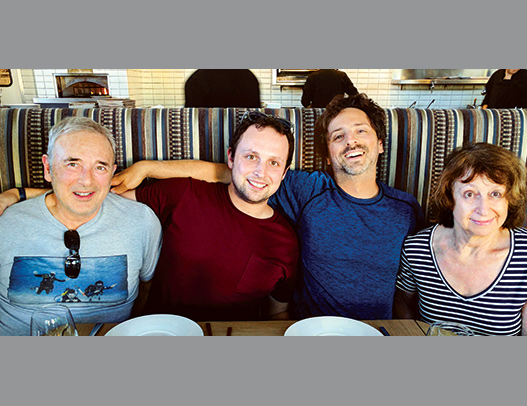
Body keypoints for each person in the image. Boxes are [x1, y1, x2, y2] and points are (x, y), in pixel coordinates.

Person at [111, 94, 424, 321]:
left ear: (381, 143)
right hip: (312, 330)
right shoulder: (307, 189)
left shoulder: (407, 209)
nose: (350, 142)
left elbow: (412, 281)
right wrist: (147, 167)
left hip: (380, 332)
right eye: (338, 136)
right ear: (328, 154)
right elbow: (229, 175)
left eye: (361, 131)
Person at [116, 111, 298, 321]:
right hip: (163, 333)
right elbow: (112, 202)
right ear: (231, 157)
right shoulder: (184, 193)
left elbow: (278, 313)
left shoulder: (286, 243)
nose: (260, 171)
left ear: (284, 173)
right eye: (250, 156)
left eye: (273, 163)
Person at [0, 117, 162, 336]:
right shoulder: (7, 222)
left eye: (100, 167)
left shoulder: (141, 221)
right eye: (73, 164)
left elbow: (147, 290)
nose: (87, 180)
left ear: (112, 173)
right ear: (48, 168)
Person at [394, 143, 527, 336]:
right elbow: (402, 303)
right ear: (450, 198)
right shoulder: (417, 250)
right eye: (469, 194)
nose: (484, 209)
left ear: (509, 199)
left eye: (495, 194)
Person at [184, 69, 261, 108]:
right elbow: (257, 118)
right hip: (243, 136)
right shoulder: (249, 78)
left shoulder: (195, 79)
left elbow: (191, 120)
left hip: (206, 136)